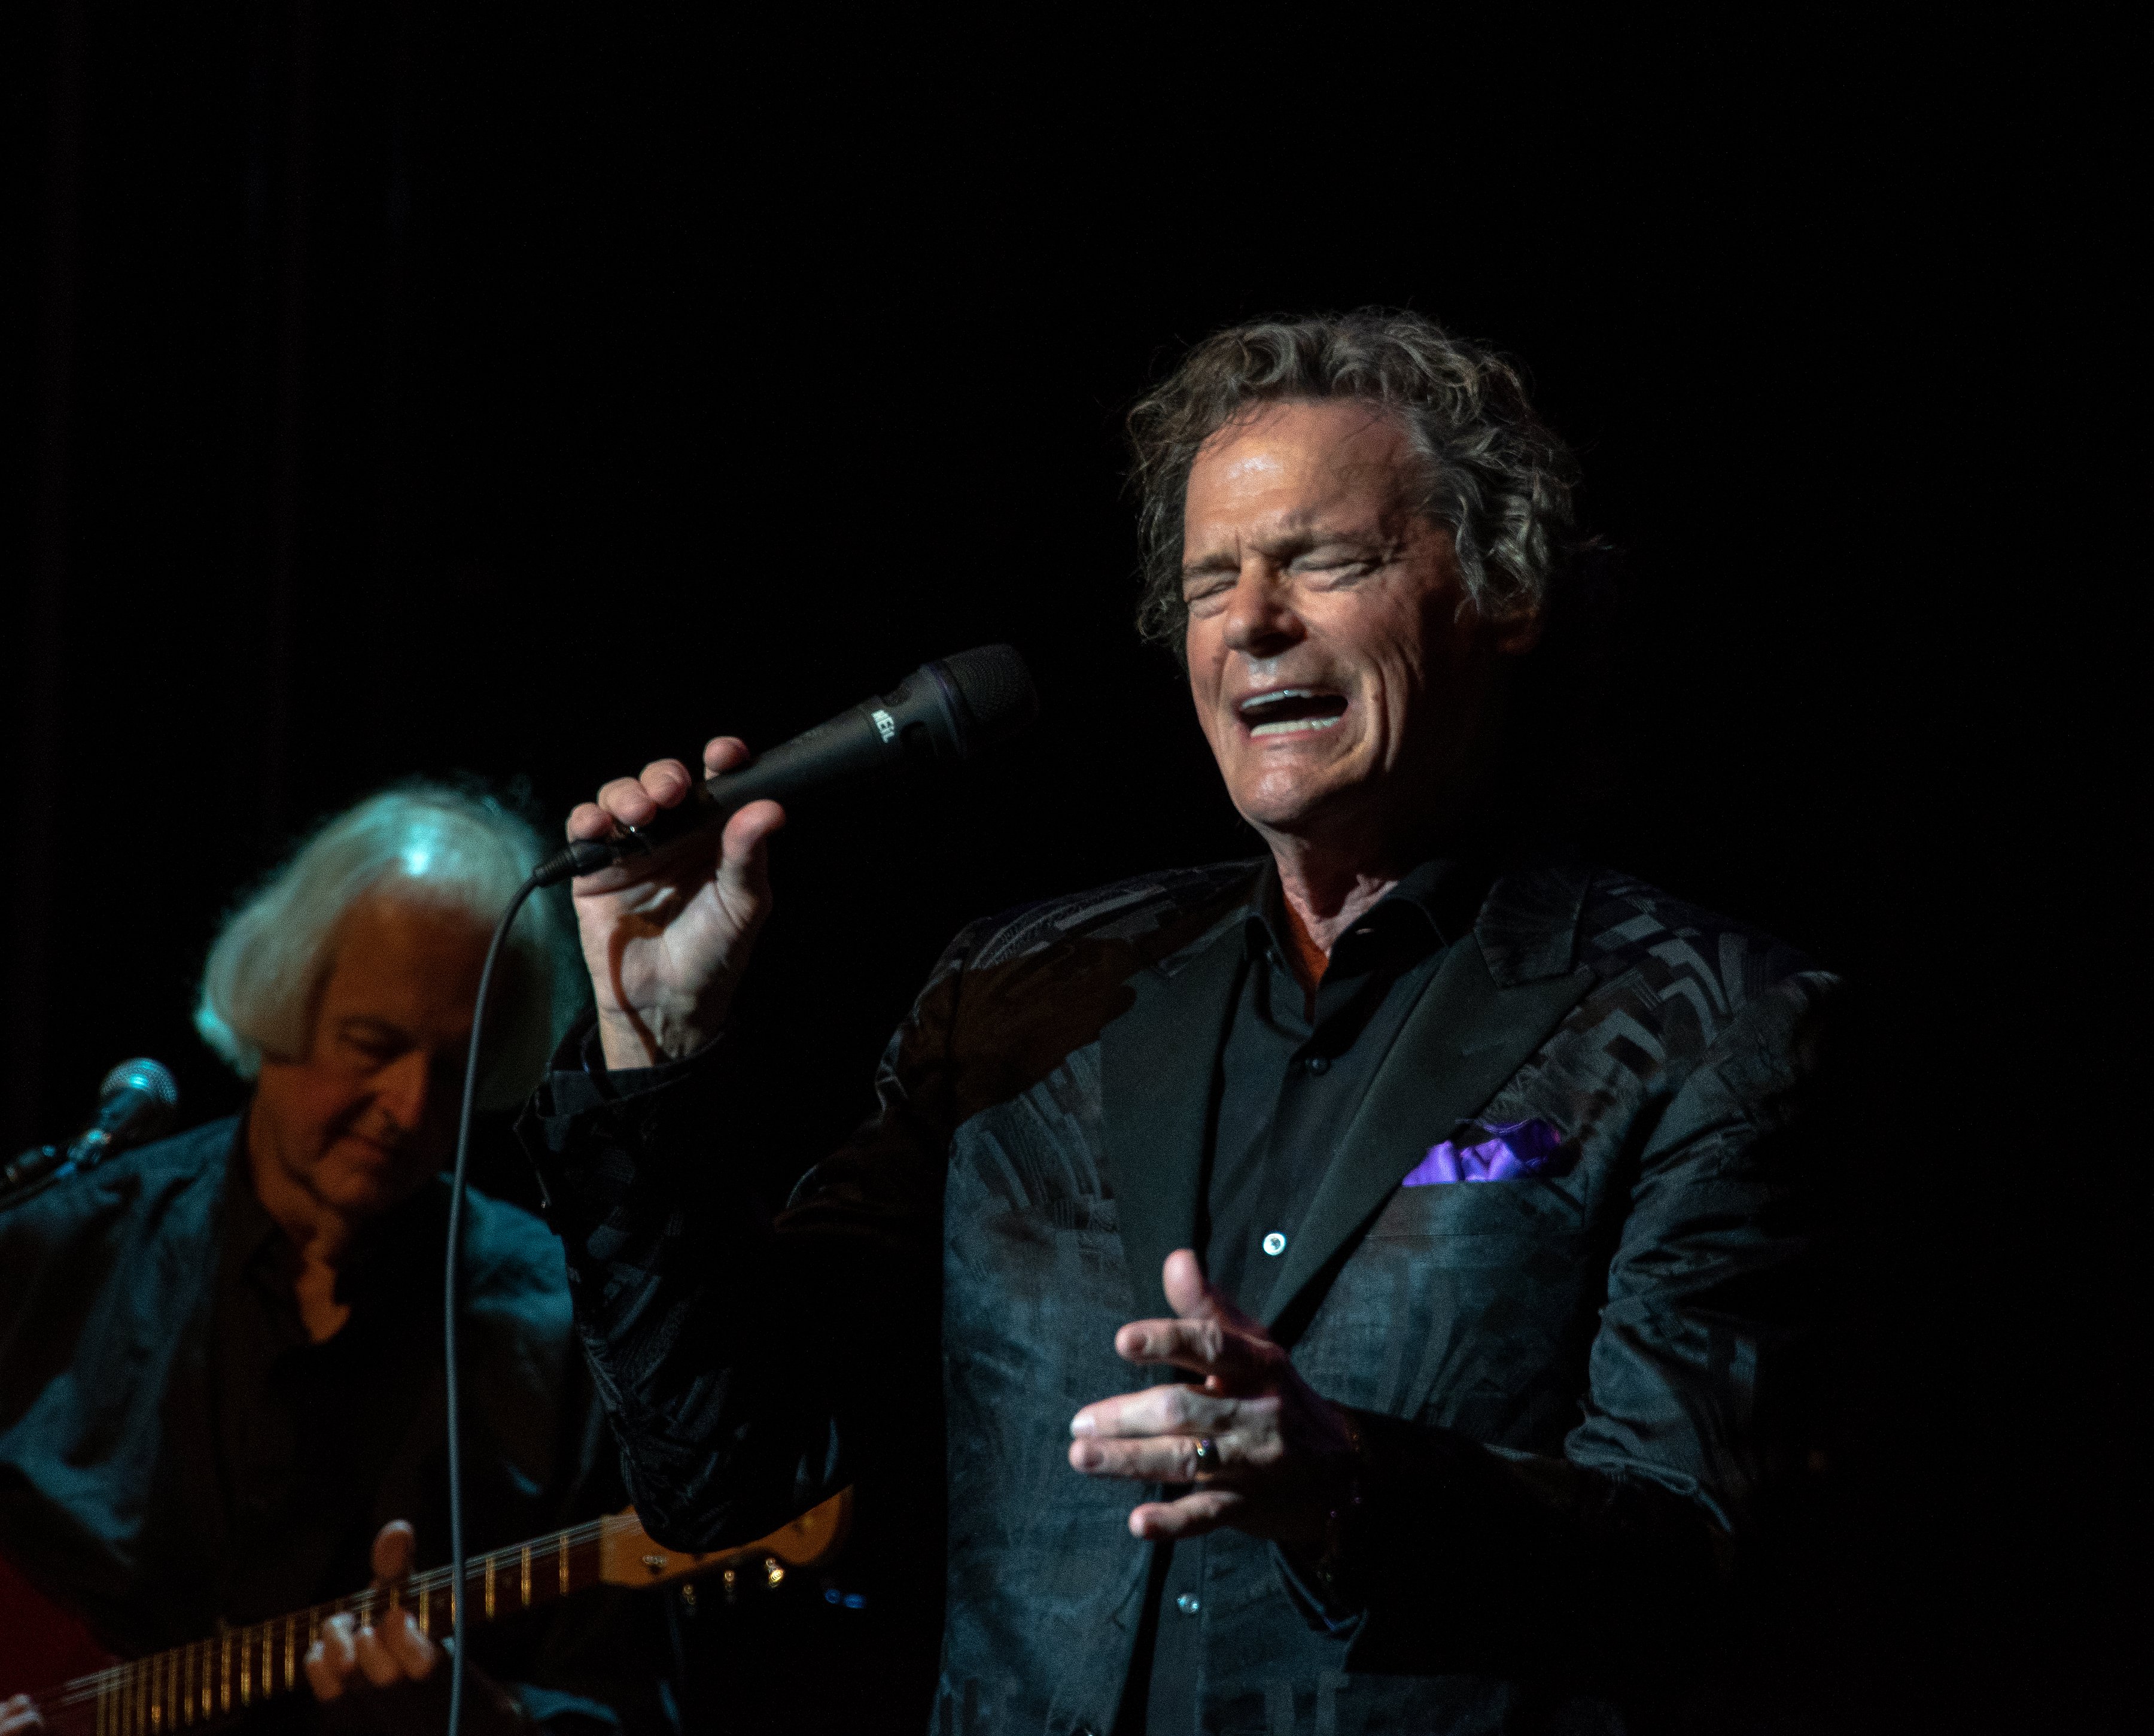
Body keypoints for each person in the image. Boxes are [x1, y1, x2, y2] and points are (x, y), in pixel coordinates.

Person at [519, 310, 1842, 1733]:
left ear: (1503, 591)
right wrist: (649, 1051)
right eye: (1213, 581)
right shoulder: (1025, 992)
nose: (1255, 621)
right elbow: (725, 1466)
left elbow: (1701, 1557)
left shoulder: (1701, 1021)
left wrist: (1346, 1487)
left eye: (1326, 561)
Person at [0, 783, 665, 1734]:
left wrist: (477, 1716)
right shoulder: (57, 1249)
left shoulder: (562, 1335)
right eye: (373, 1044)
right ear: (279, 994)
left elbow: (633, 1703)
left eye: (454, 1065)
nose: (406, 1105)